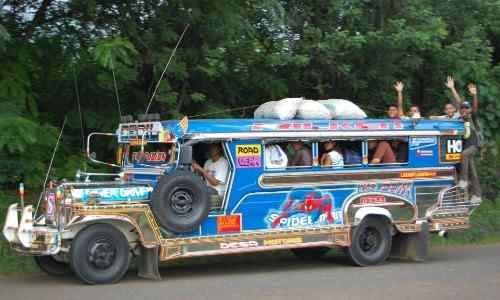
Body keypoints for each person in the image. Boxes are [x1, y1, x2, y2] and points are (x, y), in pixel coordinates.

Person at [458, 83, 482, 204]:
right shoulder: (460, 120)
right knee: (472, 170)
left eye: (467, 108)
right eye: (463, 108)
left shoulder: (472, 117)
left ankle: (464, 180)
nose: (464, 110)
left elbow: (475, 107)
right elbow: (458, 103)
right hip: (467, 146)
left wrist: (474, 95)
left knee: (464, 154)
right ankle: (477, 195)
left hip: (475, 145)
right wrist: (452, 89)